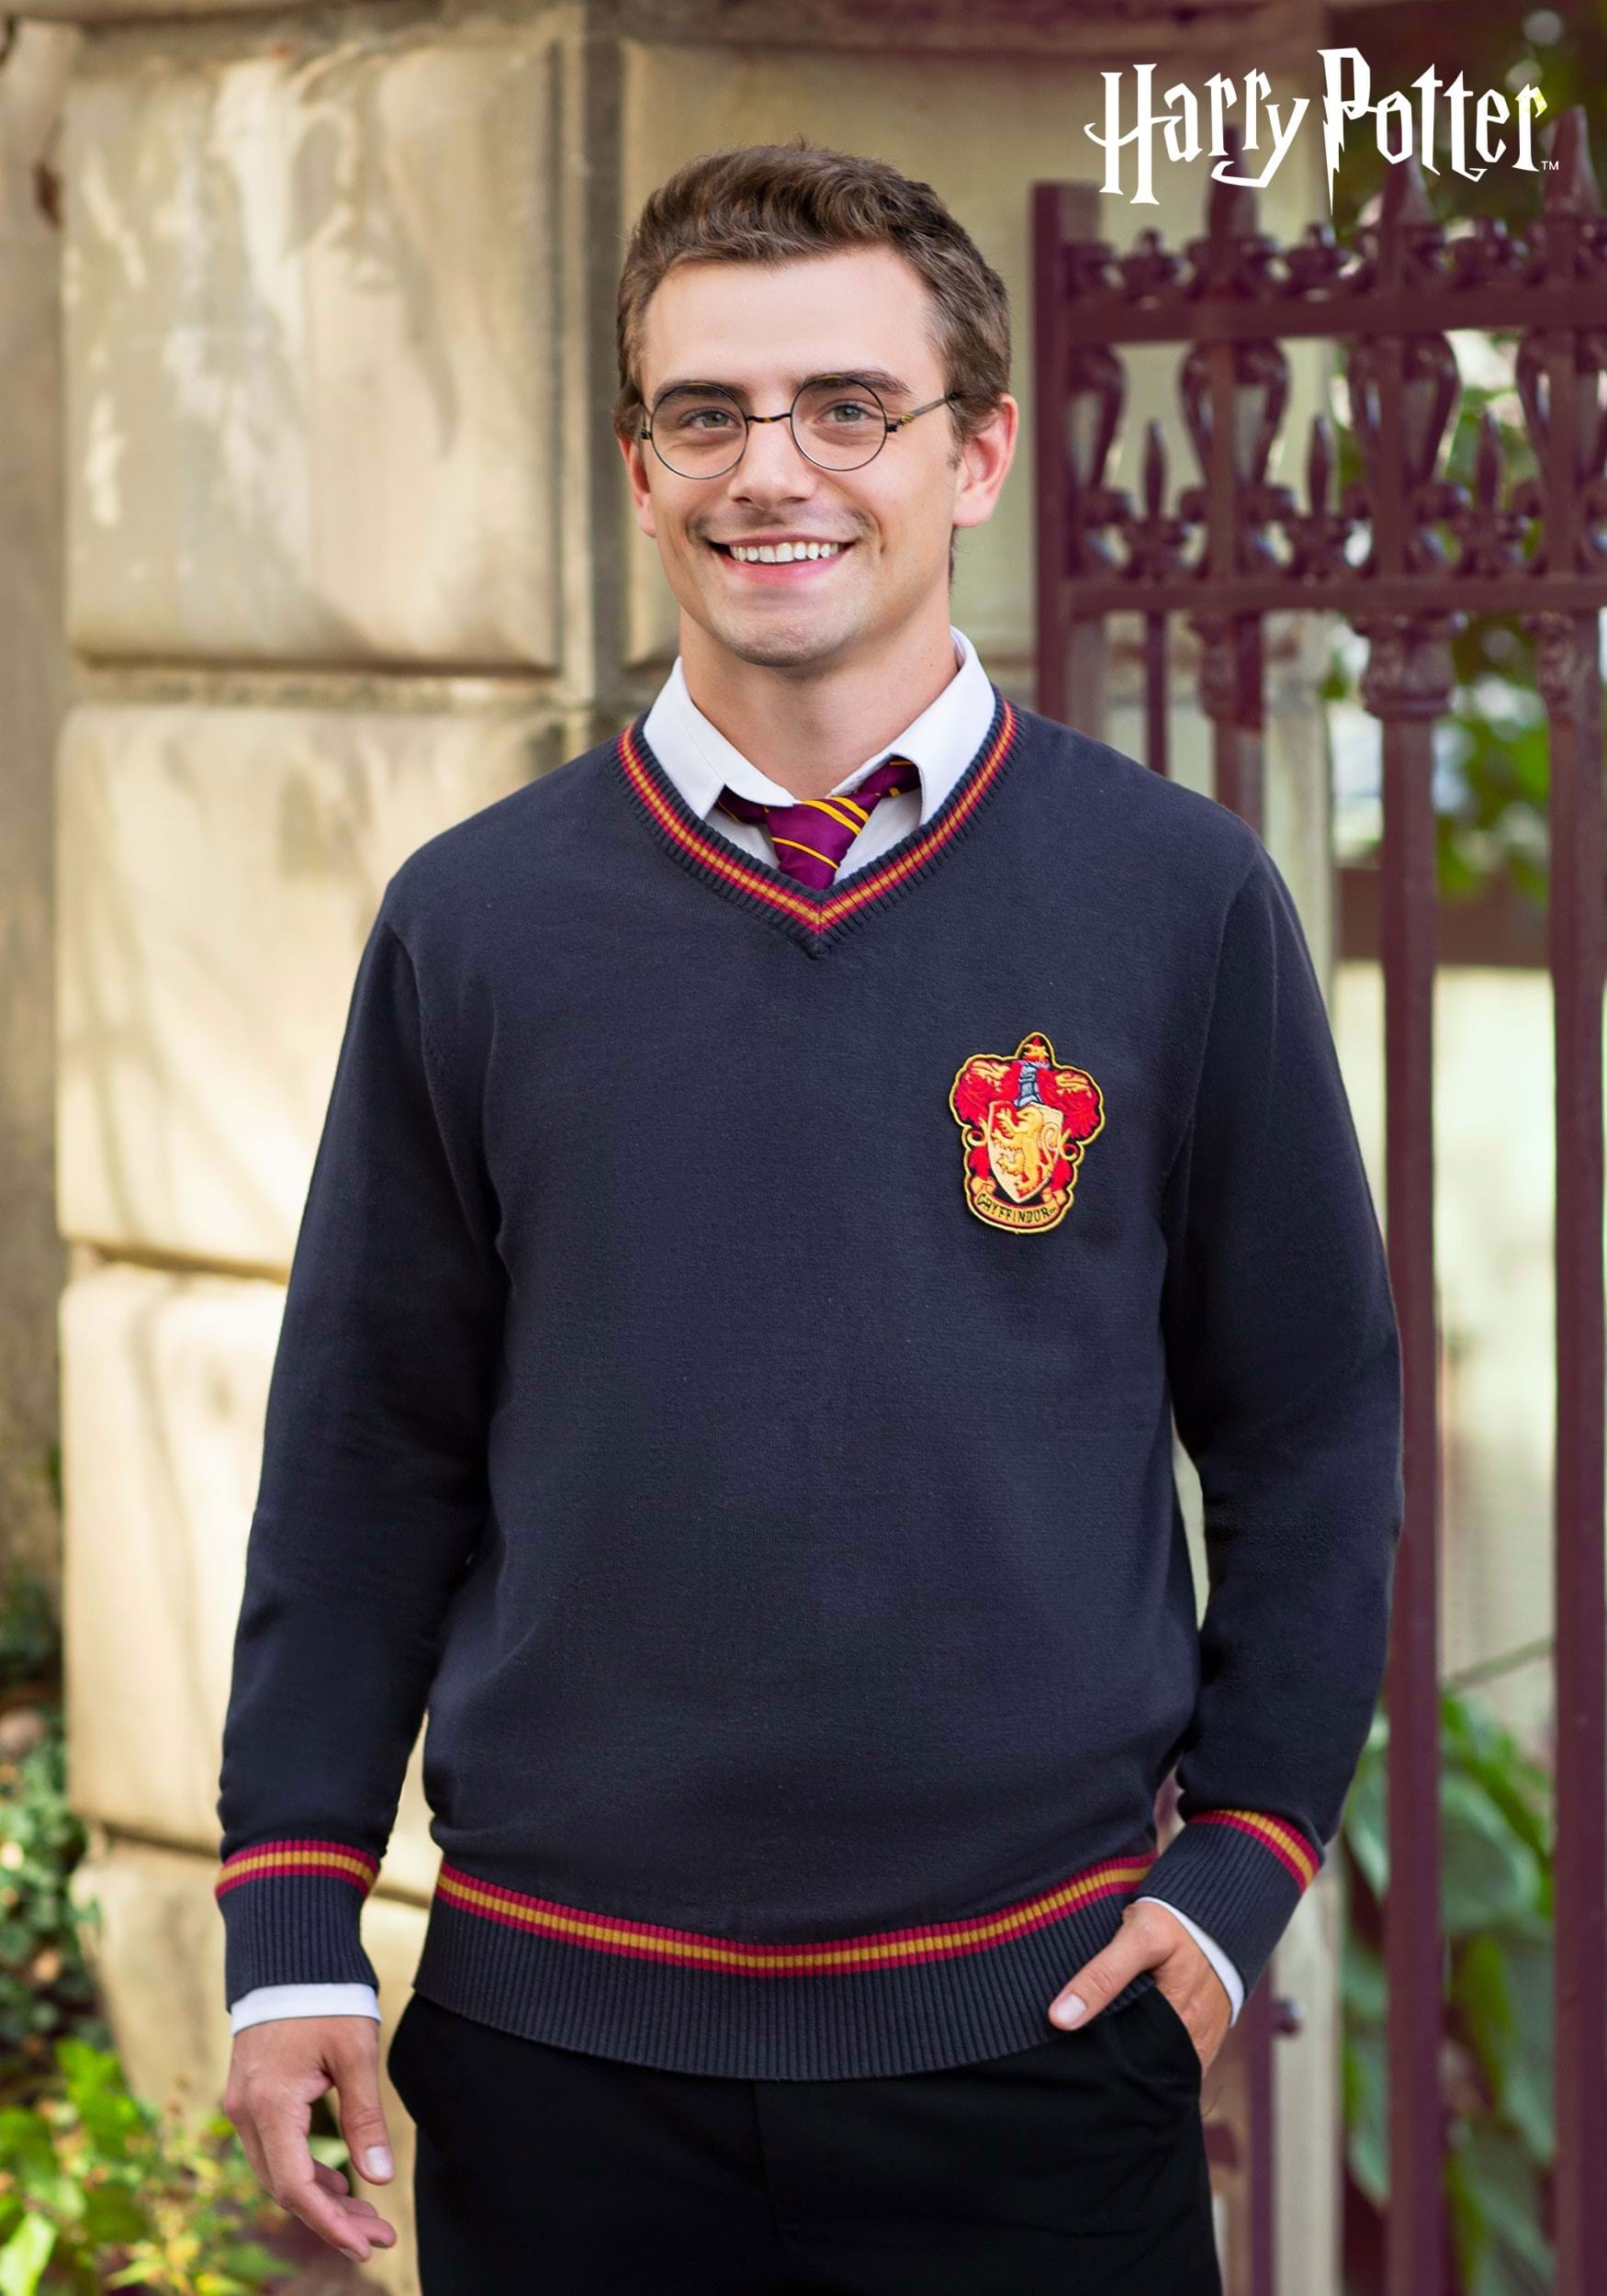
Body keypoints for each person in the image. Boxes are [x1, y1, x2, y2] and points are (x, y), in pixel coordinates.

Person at [214, 137, 1403, 2293]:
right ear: (637, 468)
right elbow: (366, 1446)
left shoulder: (1177, 901)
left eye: (847, 407)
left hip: (1039, 2045)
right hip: (561, 2053)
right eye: (707, 413)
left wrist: (1238, 1859)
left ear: (975, 454)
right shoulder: (474, 925)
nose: (773, 470)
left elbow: (1308, 1419)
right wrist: (290, 1917)